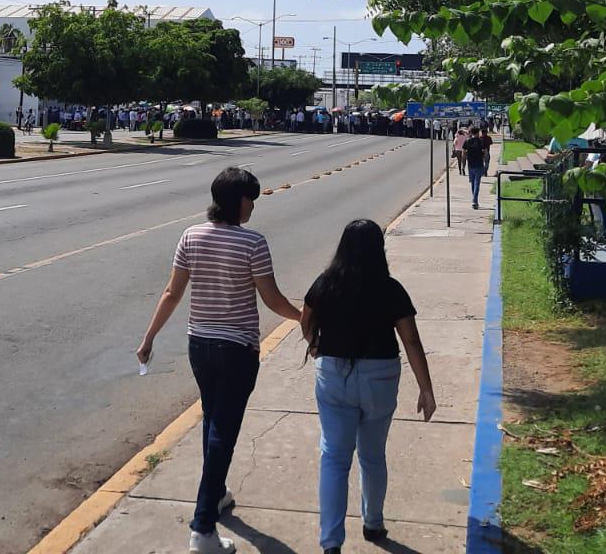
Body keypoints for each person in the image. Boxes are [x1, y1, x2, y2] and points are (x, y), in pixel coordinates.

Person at [137, 168, 301, 554]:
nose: (253, 207)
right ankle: (202, 529)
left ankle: (218, 491)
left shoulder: (190, 236)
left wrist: (149, 338)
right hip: (236, 351)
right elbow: (272, 300)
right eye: (251, 199)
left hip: (200, 346)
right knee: (222, 433)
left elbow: (172, 293)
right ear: (236, 201)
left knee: (213, 421)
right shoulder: (252, 244)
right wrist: (304, 318)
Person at [302, 219, 436, 554]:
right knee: (373, 455)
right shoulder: (390, 288)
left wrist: (316, 347)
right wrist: (426, 388)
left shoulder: (325, 284)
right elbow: (411, 341)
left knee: (334, 457)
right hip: (381, 377)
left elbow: (306, 322)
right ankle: (373, 523)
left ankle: (331, 542)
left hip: (333, 376)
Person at [464, 127, 490, 208]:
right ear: (478, 133)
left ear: (471, 133)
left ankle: (474, 199)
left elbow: (463, 153)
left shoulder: (467, 141)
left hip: (470, 164)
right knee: (477, 183)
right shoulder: (481, 141)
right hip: (479, 164)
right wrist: (486, 161)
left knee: (472, 183)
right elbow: (486, 152)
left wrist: (464, 162)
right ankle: (475, 200)